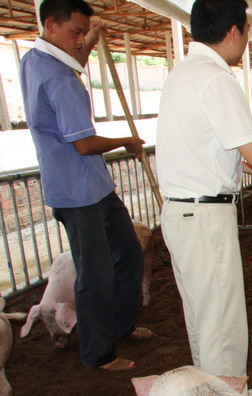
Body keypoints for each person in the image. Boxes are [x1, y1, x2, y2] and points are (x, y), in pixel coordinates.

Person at [156, 0, 252, 396]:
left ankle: (210, 395)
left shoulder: (182, 74)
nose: (247, 39)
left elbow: (202, 146)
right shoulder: (216, 78)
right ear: (233, 31)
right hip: (205, 217)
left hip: (182, 211)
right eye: (247, 31)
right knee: (221, 319)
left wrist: (245, 169)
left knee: (203, 315)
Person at [20, 0, 149, 371]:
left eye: (82, 33)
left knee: (129, 251)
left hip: (92, 185)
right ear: (50, 25)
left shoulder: (36, 60)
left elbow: (73, 60)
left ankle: (121, 326)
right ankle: (98, 353)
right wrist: (126, 141)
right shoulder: (59, 79)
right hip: (78, 192)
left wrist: (90, 39)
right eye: (75, 32)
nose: (80, 40)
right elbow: (84, 143)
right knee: (95, 272)